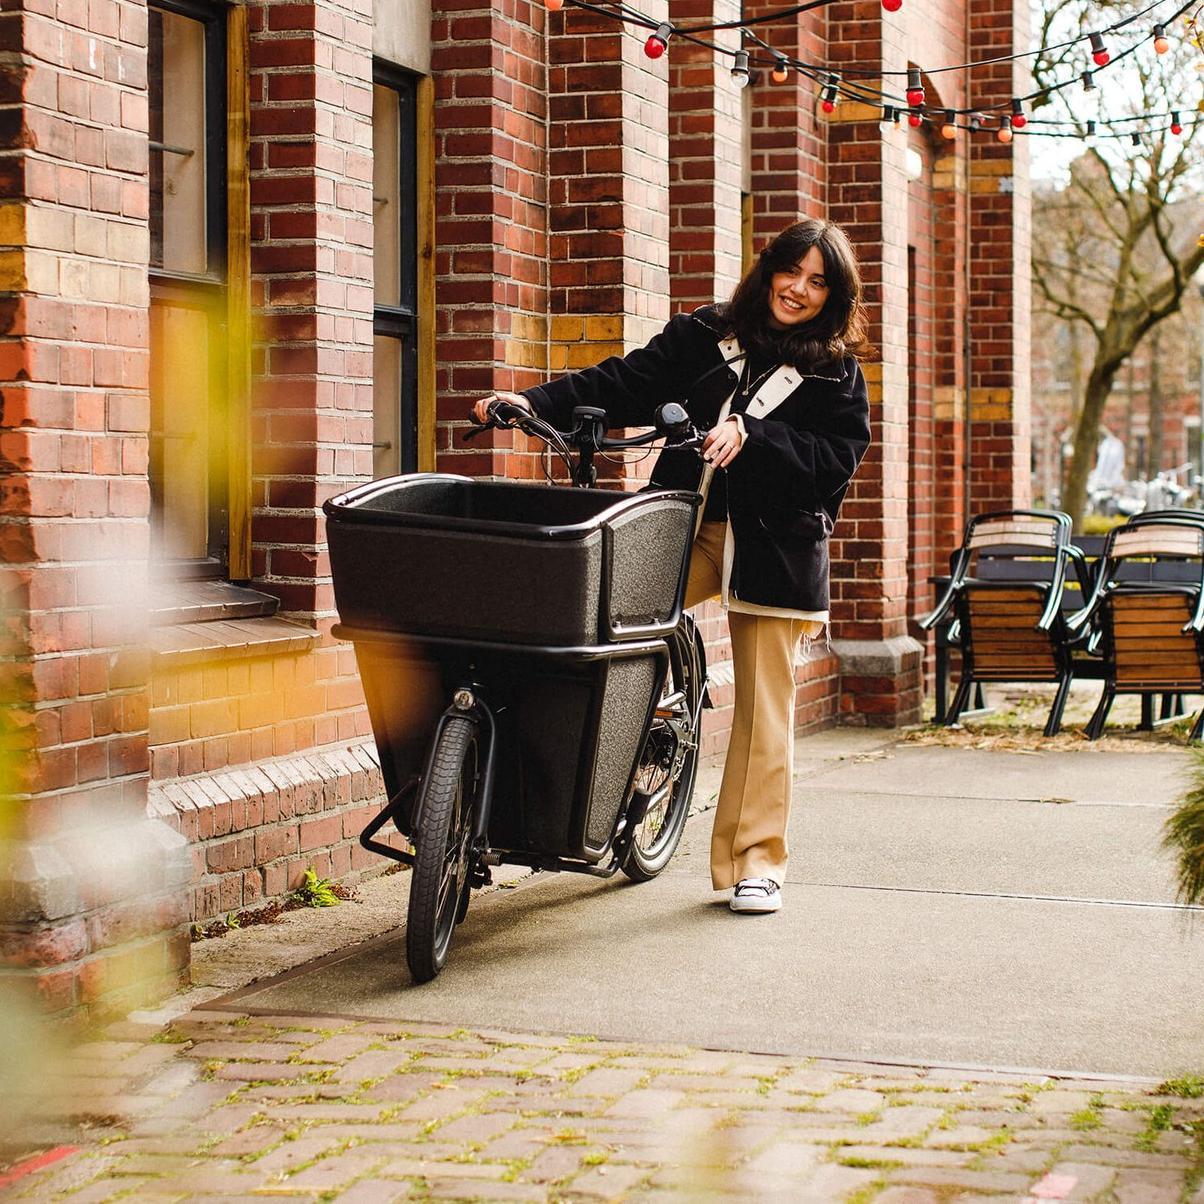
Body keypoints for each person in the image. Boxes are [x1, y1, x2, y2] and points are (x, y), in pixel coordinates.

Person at [471, 218, 871, 914]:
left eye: (817, 282)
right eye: (790, 271)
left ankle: (757, 863)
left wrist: (755, 436)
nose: (798, 289)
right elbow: (625, 381)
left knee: (764, 711)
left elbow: (835, 462)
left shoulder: (836, 373)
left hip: (774, 550)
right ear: (767, 269)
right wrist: (531, 402)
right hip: (683, 527)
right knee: (592, 618)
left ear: (833, 297)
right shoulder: (706, 335)